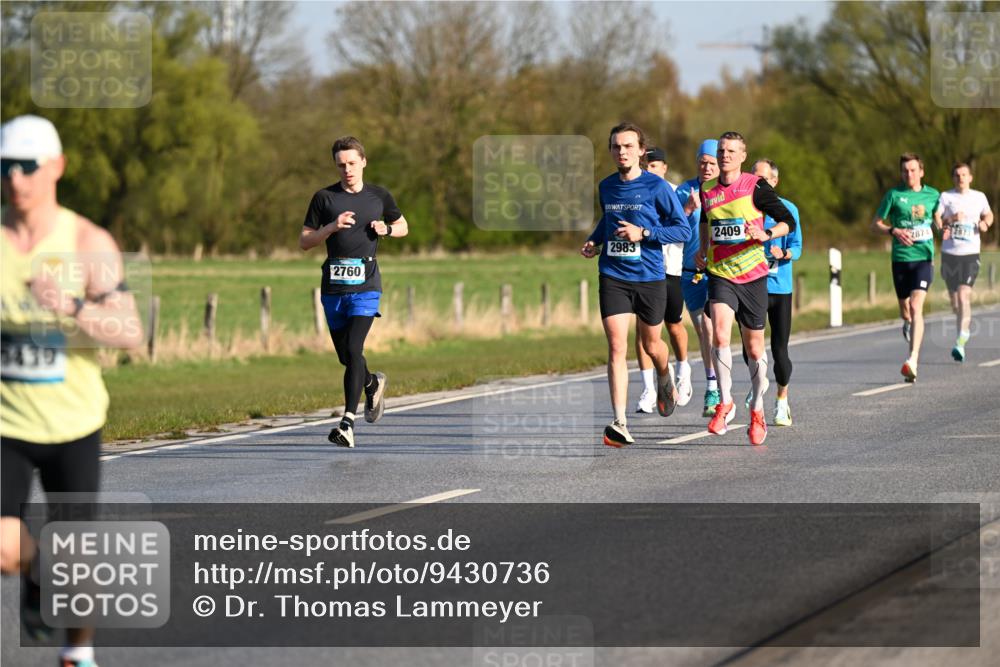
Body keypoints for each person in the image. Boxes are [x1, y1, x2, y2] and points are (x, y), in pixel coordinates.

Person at [2, 114, 143, 667]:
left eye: (28, 166)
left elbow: (131, 332)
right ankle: (39, 575)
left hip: (73, 425)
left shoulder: (87, 241)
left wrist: (73, 305)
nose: (16, 179)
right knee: (6, 548)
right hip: (7, 425)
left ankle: (77, 653)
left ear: (55, 168)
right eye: (6, 167)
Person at [581, 123, 690, 447]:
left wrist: (644, 234)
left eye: (628, 146)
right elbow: (608, 222)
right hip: (613, 275)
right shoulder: (606, 187)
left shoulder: (658, 188)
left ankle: (663, 373)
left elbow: (681, 231)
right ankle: (620, 421)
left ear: (642, 150)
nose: (621, 151)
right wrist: (594, 240)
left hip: (650, 277)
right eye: (616, 146)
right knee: (617, 346)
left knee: (651, 344)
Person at [300, 136, 408, 447]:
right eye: (340, 165)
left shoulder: (378, 196)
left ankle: (347, 423)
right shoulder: (324, 198)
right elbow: (305, 241)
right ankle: (372, 382)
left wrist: (387, 229)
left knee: (355, 346)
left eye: (351, 163)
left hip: (366, 285)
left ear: (363, 161)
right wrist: (331, 228)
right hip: (334, 287)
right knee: (348, 357)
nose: (346, 169)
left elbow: (403, 225)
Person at [695, 131, 797, 446]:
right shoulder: (707, 189)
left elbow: (786, 222)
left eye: (731, 151)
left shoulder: (756, 187)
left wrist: (767, 235)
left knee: (754, 349)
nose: (724, 155)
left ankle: (757, 410)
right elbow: (706, 221)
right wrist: (702, 249)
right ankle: (726, 402)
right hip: (720, 274)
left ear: (742, 156)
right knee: (720, 334)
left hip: (753, 276)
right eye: (721, 150)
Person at [742, 158, 802, 427]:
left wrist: (785, 252)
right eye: (753, 178)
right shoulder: (743, 206)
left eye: (763, 179)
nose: (757, 183)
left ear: (774, 182)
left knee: (779, 350)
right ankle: (759, 380)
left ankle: (782, 401)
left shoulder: (788, 209)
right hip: (751, 285)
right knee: (749, 349)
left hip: (780, 287)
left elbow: (798, 246)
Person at [871, 153, 940, 382]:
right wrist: (893, 230)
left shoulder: (933, 195)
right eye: (904, 171)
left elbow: (940, 219)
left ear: (921, 171)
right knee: (906, 310)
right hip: (900, 259)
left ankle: (913, 359)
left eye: (912, 170)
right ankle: (907, 322)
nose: (908, 174)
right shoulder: (894, 195)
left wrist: (945, 225)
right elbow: (876, 223)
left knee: (916, 305)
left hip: (923, 258)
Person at [634, 146, 692, 412]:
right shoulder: (638, 189)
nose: (650, 169)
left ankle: (682, 369)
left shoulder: (675, 192)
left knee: (674, 326)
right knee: (643, 331)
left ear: (664, 167)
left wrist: (688, 211)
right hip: (645, 269)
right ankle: (649, 389)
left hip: (671, 268)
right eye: (647, 165)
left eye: (655, 165)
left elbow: (682, 231)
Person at [675, 140, 720, 417]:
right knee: (704, 329)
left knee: (718, 330)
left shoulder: (727, 192)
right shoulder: (684, 190)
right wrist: (689, 209)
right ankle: (712, 384)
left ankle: (721, 386)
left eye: (711, 162)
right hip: (691, 273)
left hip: (723, 271)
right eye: (702, 162)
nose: (706, 167)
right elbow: (671, 226)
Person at [934, 162, 994, 362]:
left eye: (964, 174)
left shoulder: (979, 197)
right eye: (957, 175)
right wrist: (950, 219)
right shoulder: (945, 197)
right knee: (954, 301)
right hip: (950, 254)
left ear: (970, 177)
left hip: (970, 254)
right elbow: (937, 220)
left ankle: (961, 340)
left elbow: (989, 214)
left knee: (963, 296)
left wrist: (985, 223)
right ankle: (962, 326)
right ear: (953, 178)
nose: (960, 178)